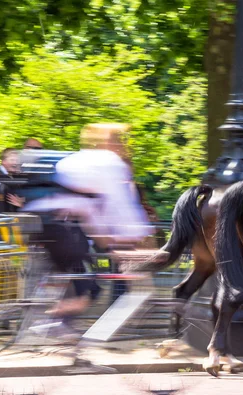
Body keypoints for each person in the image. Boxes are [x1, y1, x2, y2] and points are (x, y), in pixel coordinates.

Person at [24, 124, 151, 324]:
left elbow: (91, 214)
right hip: (57, 225)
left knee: (80, 285)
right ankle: (47, 325)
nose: (124, 149)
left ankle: (57, 328)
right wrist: (137, 241)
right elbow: (120, 207)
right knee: (88, 290)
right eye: (122, 143)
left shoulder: (82, 161)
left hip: (43, 221)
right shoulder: (109, 164)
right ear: (111, 144)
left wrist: (114, 248)